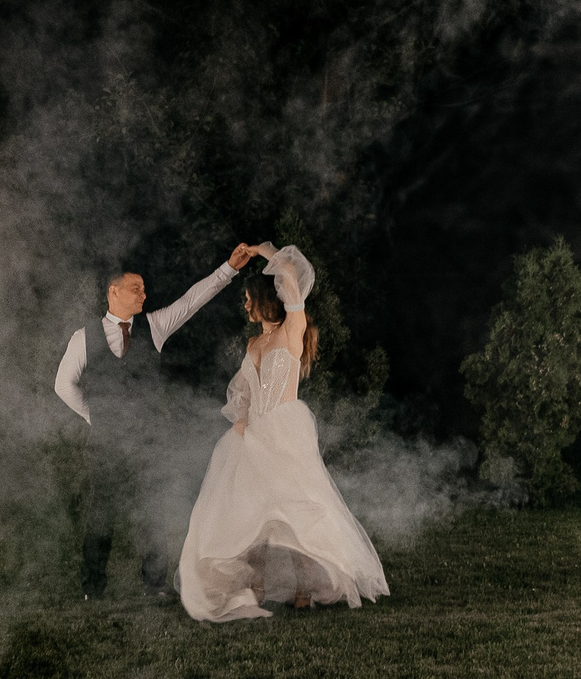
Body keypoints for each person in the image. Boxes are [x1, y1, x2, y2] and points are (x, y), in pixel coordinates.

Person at [177, 245, 389, 622]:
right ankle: (256, 585)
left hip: (284, 430)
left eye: (247, 299)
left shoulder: (293, 328)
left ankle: (305, 588)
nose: (245, 306)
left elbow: (291, 275)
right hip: (252, 433)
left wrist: (263, 251)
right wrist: (241, 428)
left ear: (263, 300)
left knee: (290, 510)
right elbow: (243, 392)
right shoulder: (253, 342)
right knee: (249, 513)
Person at [54, 242, 258, 597]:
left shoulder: (154, 326)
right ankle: (93, 587)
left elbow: (192, 300)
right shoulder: (82, 337)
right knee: (101, 513)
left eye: (145, 289)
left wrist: (229, 268)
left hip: (149, 439)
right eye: (137, 289)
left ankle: (155, 585)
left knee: (152, 511)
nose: (144, 295)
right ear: (113, 292)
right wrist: (94, 416)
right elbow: (63, 385)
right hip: (106, 442)